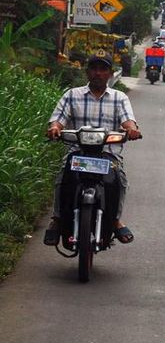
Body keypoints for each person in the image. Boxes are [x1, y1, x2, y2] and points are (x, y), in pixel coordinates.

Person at [44, 51, 142, 246]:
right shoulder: (72, 95)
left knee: (120, 181)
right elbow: (58, 119)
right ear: (87, 72)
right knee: (62, 177)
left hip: (107, 155)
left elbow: (128, 120)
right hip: (77, 152)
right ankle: (56, 219)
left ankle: (115, 220)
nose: (98, 73)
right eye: (94, 69)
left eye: (103, 69)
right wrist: (55, 128)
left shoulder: (119, 97)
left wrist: (131, 130)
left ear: (110, 74)